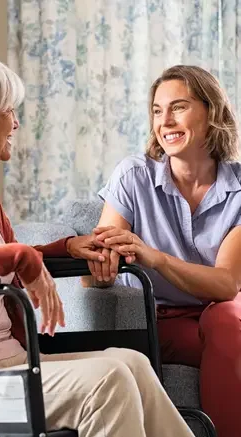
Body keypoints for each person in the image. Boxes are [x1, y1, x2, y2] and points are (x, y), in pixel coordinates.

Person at [0, 53, 194, 437]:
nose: (15, 123)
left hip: (11, 362)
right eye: (8, 111)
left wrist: (66, 248)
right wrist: (17, 254)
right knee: (108, 381)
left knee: (131, 361)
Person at [88, 65, 241, 437]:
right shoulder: (133, 176)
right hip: (164, 319)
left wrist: (153, 256)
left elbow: (226, 285)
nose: (165, 120)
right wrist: (102, 265)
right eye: (157, 110)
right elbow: (99, 256)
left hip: (222, 313)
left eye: (179, 107)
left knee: (224, 319)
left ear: (212, 113)